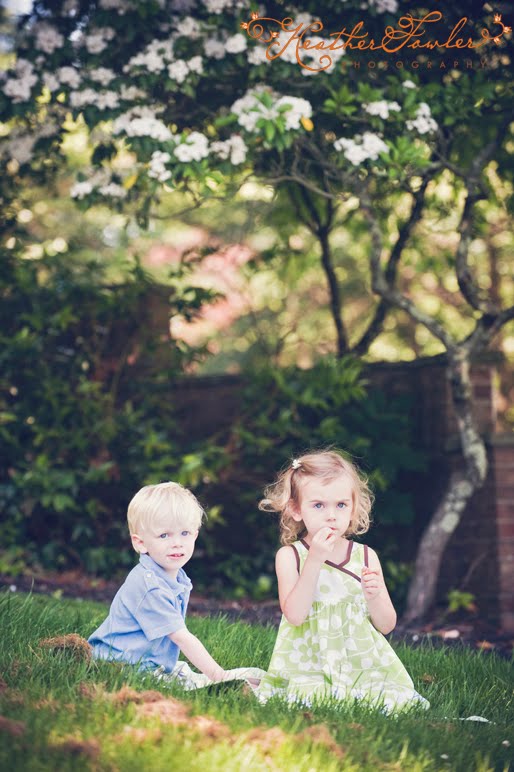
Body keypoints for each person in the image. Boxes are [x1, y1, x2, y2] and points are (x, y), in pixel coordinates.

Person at [253, 450, 429, 712]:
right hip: (310, 664)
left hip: (360, 665)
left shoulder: (365, 556)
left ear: (353, 507)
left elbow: (387, 624)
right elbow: (295, 616)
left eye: (341, 505)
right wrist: (314, 561)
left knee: (390, 700)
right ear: (296, 509)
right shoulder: (291, 557)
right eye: (318, 505)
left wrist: (374, 596)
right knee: (310, 698)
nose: (331, 515)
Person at [88, 481, 263, 689]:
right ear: (140, 543)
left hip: (144, 660)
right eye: (164, 535)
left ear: (195, 535)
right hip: (120, 664)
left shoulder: (174, 576)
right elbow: (180, 637)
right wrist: (219, 675)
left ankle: (223, 680)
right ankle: (222, 682)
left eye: (185, 533)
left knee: (184, 674)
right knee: (190, 683)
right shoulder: (150, 586)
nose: (177, 543)